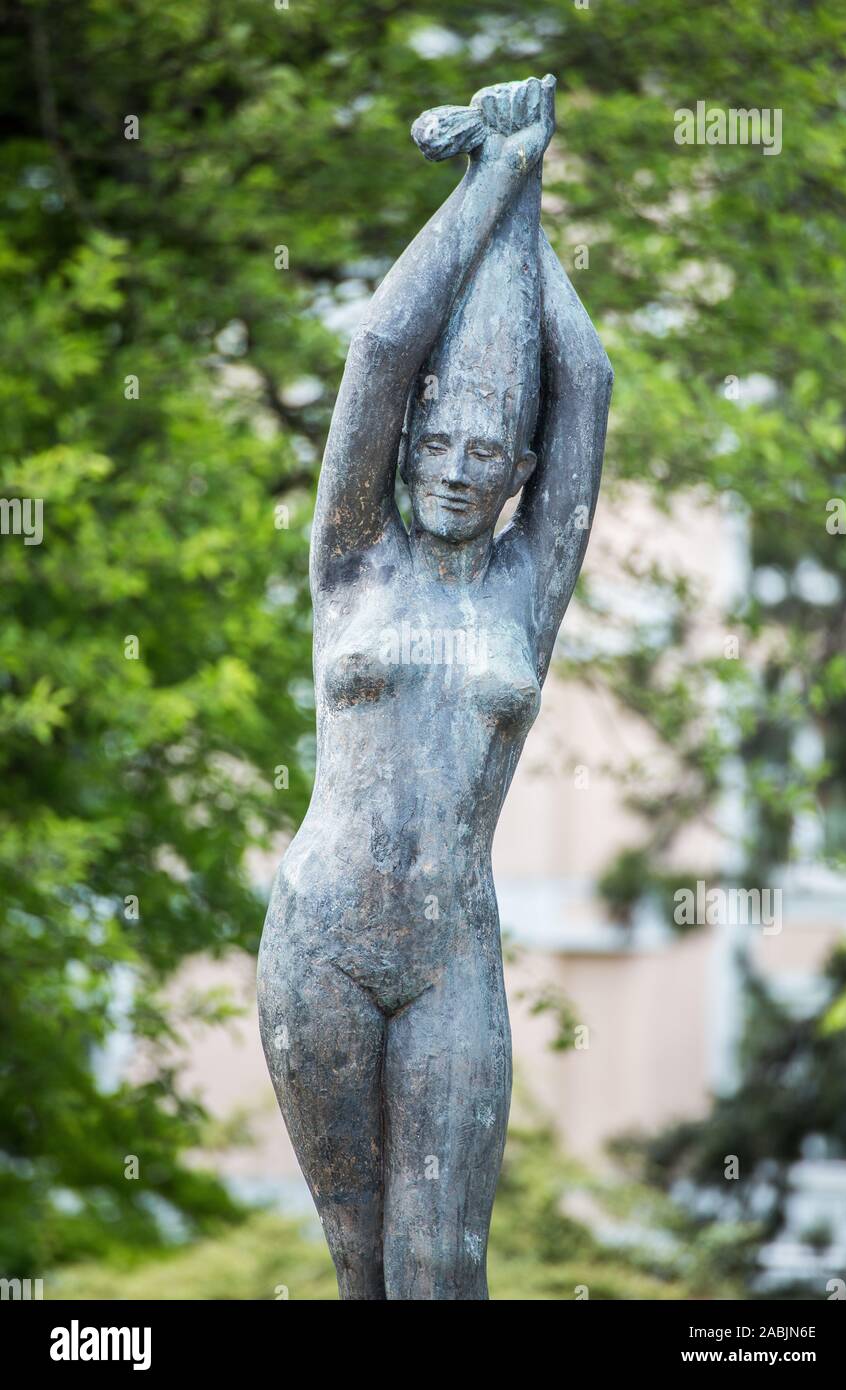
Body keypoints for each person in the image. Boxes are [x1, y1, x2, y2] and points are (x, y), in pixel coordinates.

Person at [258, 75, 613, 1300]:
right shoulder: (353, 554)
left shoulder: (525, 583)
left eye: (485, 452)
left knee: (443, 1266)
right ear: (404, 447)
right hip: (322, 939)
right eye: (435, 443)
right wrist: (489, 178)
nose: (455, 469)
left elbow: (592, 385)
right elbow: (380, 349)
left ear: (519, 471)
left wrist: (518, 175)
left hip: (450, 953)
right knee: (362, 1269)